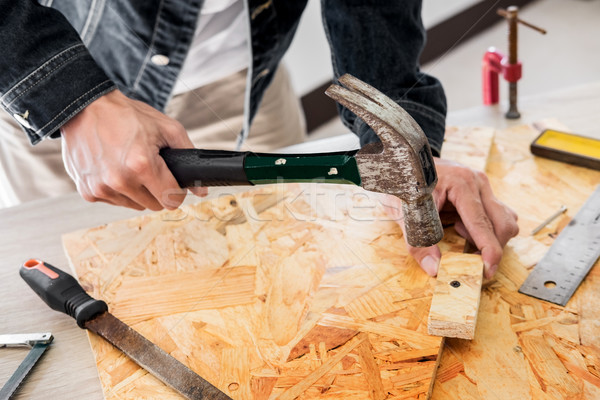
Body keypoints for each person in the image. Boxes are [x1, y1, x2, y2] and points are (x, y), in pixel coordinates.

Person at [0, 0, 518, 278]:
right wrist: (70, 98)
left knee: (283, 265)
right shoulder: (62, 96)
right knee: (75, 268)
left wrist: (410, 151)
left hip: (248, 79)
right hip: (56, 88)